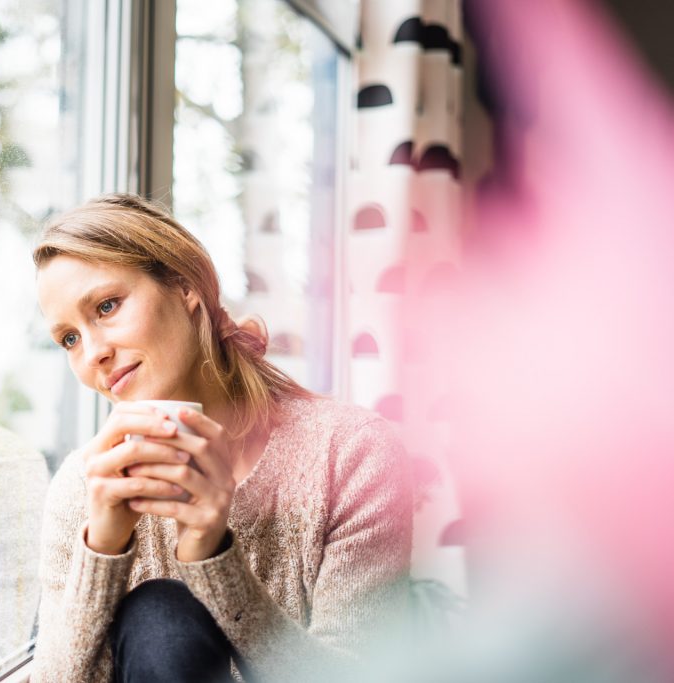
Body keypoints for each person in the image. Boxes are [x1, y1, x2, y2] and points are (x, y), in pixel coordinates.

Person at [29, 193, 412, 682]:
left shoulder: (351, 455)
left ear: (185, 287)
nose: (93, 354)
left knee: (162, 616)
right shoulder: (84, 487)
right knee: (160, 615)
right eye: (69, 338)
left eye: (106, 306)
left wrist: (213, 557)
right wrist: (103, 548)